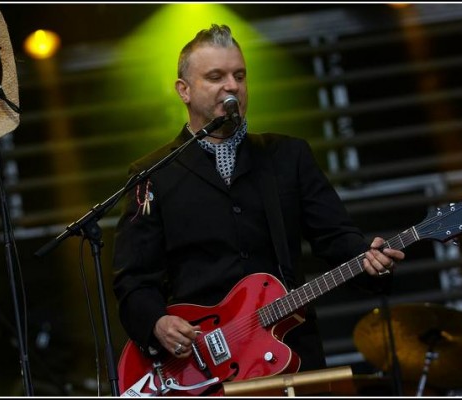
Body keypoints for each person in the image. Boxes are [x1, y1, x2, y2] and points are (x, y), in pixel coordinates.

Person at [112, 23, 405, 391]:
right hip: (202, 369)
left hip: (291, 353)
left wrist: (369, 261)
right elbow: (134, 279)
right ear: (183, 91)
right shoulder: (153, 173)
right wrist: (156, 322)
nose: (232, 86)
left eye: (239, 75)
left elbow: (336, 238)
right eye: (215, 76)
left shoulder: (286, 156)